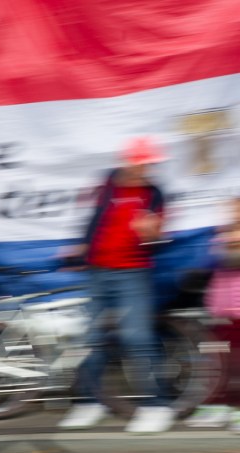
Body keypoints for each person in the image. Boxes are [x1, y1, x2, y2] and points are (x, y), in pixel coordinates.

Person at [58, 136, 175, 433]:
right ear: (128, 161)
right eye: (140, 163)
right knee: (89, 339)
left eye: (149, 164)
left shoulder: (155, 194)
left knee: (137, 338)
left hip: (133, 273)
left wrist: (150, 234)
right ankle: (89, 402)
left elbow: (156, 241)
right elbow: (95, 219)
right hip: (97, 271)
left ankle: (157, 406)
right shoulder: (108, 183)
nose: (145, 169)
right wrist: (82, 247)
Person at [185, 196, 240, 431]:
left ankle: (237, 410)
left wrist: (230, 244)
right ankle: (216, 406)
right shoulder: (219, 240)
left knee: (237, 364)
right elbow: (206, 262)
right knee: (217, 363)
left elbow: (233, 259)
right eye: (232, 211)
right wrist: (223, 242)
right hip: (220, 313)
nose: (234, 215)